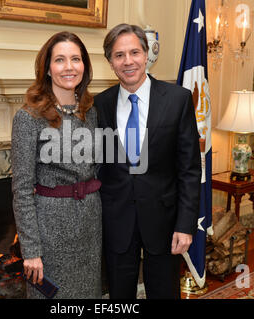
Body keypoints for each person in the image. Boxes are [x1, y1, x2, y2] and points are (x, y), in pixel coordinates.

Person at [94, 24, 201, 299]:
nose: (128, 61)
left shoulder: (178, 99)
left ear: (147, 55)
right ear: (110, 62)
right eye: (119, 55)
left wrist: (185, 224)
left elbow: (189, 169)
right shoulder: (99, 105)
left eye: (134, 52)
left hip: (165, 223)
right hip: (116, 222)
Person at [11, 31, 102, 299]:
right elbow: (22, 189)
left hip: (90, 225)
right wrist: (30, 250)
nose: (69, 67)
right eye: (60, 60)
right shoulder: (29, 117)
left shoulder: (90, 110)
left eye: (76, 59)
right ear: (48, 68)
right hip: (49, 231)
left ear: (84, 66)